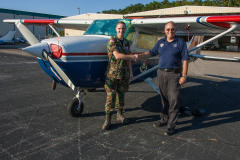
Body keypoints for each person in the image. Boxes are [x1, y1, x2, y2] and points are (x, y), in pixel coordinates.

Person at [137, 21, 189, 136]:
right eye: (168, 29)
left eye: (173, 29)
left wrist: (184, 75)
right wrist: (139, 56)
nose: (170, 31)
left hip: (174, 74)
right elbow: (151, 53)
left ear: (175, 30)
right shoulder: (160, 42)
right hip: (161, 74)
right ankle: (164, 119)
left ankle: (171, 125)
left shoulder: (180, 42)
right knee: (164, 99)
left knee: (174, 100)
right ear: (165, 30)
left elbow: (185, 59)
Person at [102, 21, 137, 130]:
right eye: (119, 29)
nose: (121, 30)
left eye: (123, 28)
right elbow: (117, 55)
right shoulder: (112, 41)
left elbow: (128, 59)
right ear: (116, 30)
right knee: (110, 97)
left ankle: (120, 115)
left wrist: (131, 72)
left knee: (121, 95)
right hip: (112, 75)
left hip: (124, 74)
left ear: (125, 30)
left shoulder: (126, 42)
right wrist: (132, 57)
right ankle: (107, 120)